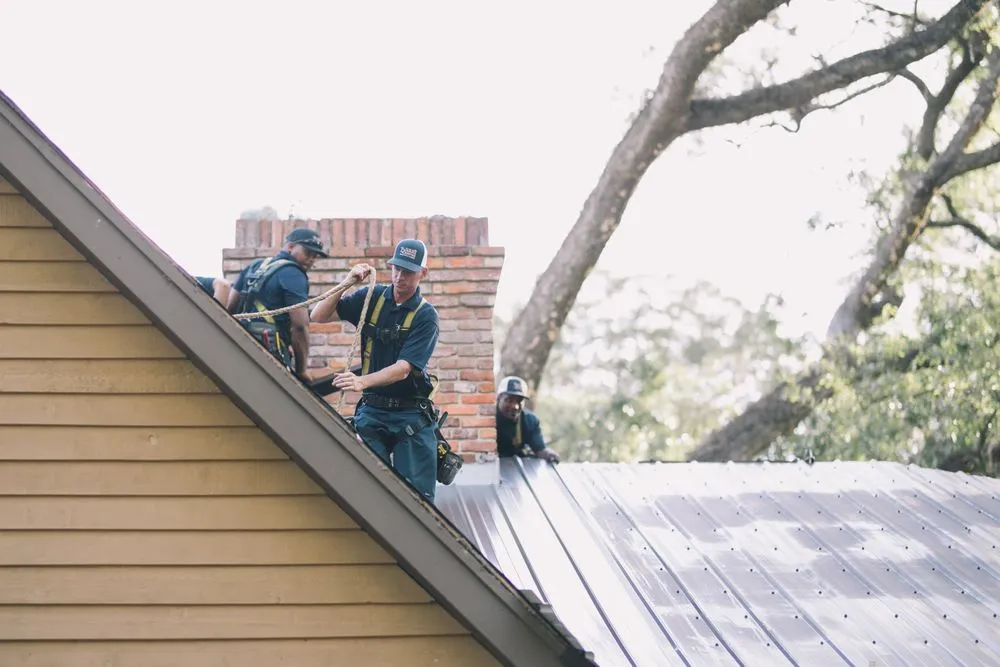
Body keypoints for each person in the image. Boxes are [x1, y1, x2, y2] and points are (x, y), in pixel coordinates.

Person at [311, 239, 441, 502]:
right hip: (373, 411)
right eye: (396, 269)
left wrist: (361, 382)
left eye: (408, 271)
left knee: (416, 500)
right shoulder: (372, 298)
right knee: (366, 490)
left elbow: (404, 369)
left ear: (422, 273)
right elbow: (318, 315)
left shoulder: (426, 316)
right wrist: (347, 282)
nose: (400, 276)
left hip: (410, 415)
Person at [229, 228, 328, 379]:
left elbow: (229, 308)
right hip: (268, 354)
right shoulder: (295, 274)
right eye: (308, 253)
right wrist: (301, 371)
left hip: (237, 346)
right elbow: (300, 327)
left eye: (315, 256)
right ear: (290, 247)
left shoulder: (255, 266)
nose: (312, 259)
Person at [495, 375, 560, 463]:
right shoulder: (487, 418)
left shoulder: (530, 420)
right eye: (509, 400)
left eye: (519, 401)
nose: (515, 406)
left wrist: (549, 454)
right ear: (499, 399)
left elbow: (539, 449)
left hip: (516, 467)